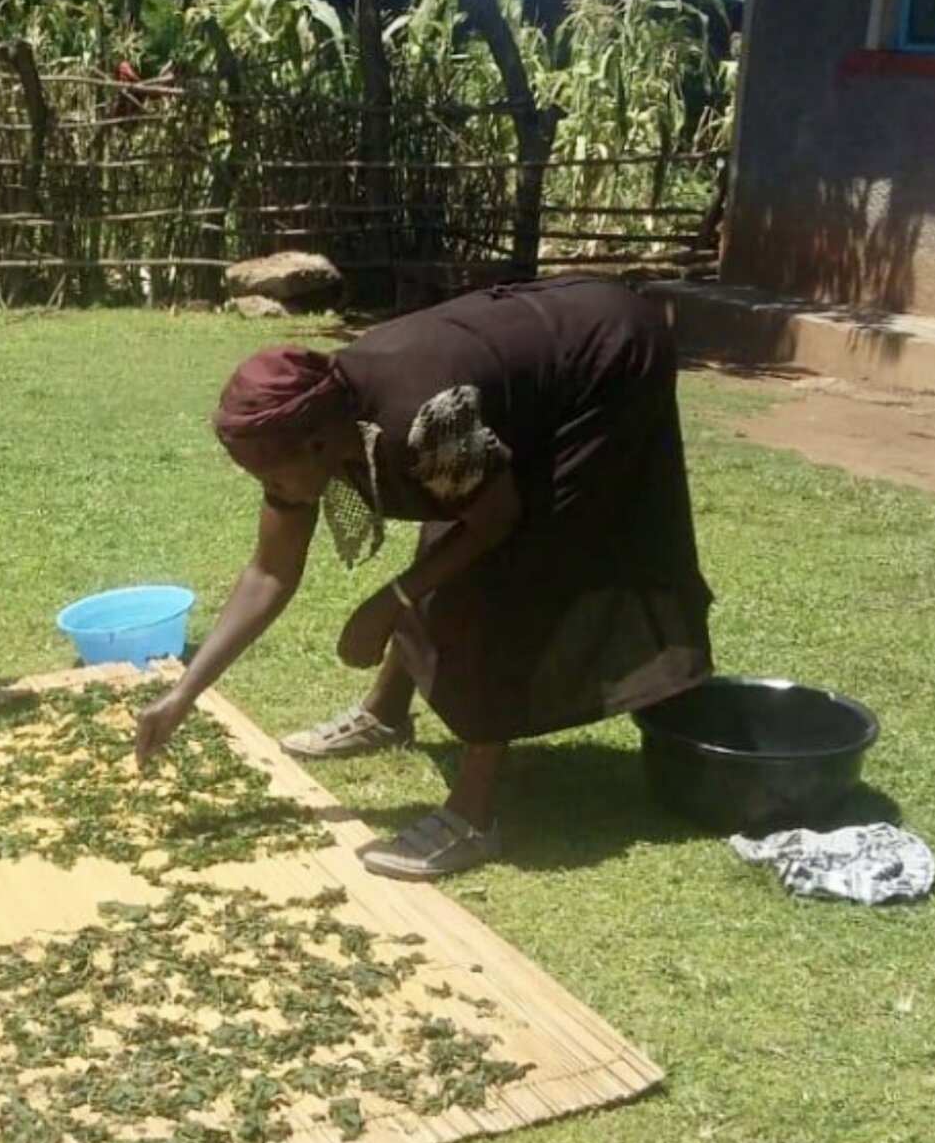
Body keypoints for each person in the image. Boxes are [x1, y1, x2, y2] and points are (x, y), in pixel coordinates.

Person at [132, 276, 713, 880]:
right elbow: (270, 572)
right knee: (449, 536)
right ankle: (387, 712)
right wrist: (184, 696)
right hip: (523, 365)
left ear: (321, 443)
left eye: (275, 480)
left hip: (607, 362)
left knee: (507, 571)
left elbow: (497, 521)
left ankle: (474, 814)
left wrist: (391, 599)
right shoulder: (313, 420)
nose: (273, 494)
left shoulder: (422, 422)